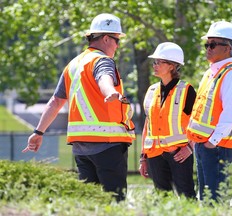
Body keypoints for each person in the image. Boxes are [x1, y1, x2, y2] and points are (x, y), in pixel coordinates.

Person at [22, 13, 135, 202]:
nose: (117, 46)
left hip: (81, 148)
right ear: (106, 38)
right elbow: (104, 79)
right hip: (107, 145)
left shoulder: (73, 65)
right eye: (117, 40)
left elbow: (55, 102)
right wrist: (110, 92)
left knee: (88, 203)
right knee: (115, 202)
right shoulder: (102, 60)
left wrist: (38, 132)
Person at [186, 21, 232, 201]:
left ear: (228, 48)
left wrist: (212, 142)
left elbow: (230, 114)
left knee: (213, 201)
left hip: (216, 147)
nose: (208, 48)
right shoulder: (210, 73)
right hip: (205, 146)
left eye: (212, 44)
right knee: (205, 199)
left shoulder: (231, 75)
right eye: (207, 44)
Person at [139, 42, 197, 199]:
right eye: (154, 62)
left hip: (179, 153)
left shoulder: (186, 90)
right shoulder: (151, 91)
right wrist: (143, 156)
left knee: (186, 196)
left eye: (159, 62)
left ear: (172, 66)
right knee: (163, 197)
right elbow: (147, 125)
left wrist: (190, 148)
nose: (154, 65)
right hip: (154, 155)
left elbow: (198, 123)